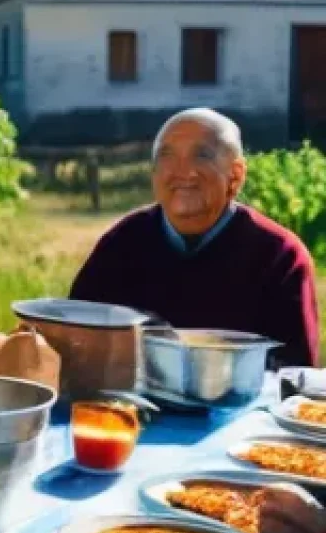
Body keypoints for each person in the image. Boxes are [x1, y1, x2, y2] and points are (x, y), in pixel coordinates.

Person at [69, 108, 319, 368]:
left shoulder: (280, 257)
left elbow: (294, 373)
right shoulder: (121, 244)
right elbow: (74, 340)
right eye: (167, 156)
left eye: (202, 155)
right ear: (154, 175)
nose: (183, 172)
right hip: (129, 394)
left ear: (235, 176)